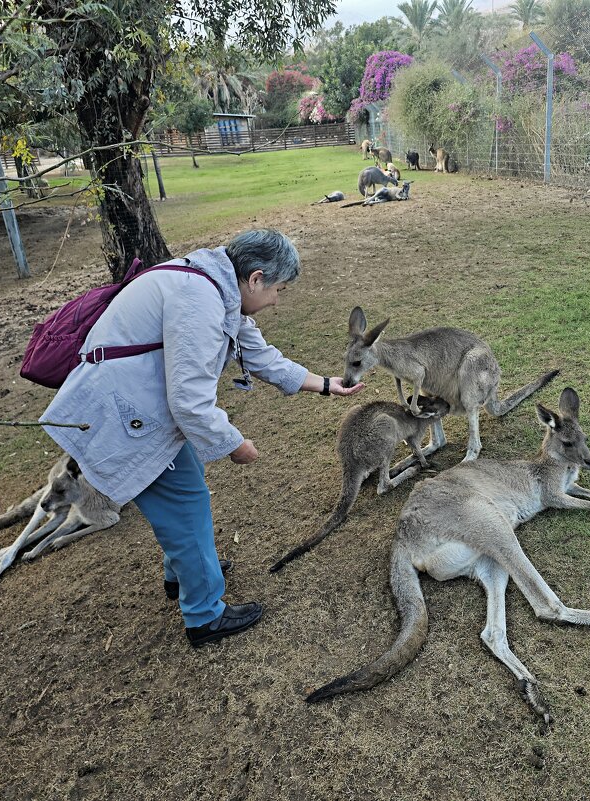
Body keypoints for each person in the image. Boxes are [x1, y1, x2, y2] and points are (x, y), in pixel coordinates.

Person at [41, 229, 363, 647]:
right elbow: (189, 401)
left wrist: (325, 384)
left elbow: (259, 355)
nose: (276, 301)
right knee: (186, 503)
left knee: (186, 495)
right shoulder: (200, 299)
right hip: (127, 419)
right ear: (256, 279)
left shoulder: (215, 284)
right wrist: (235, 444)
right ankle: (204, 615)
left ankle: (183, 574)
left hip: (137, 412)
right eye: (278, 290)